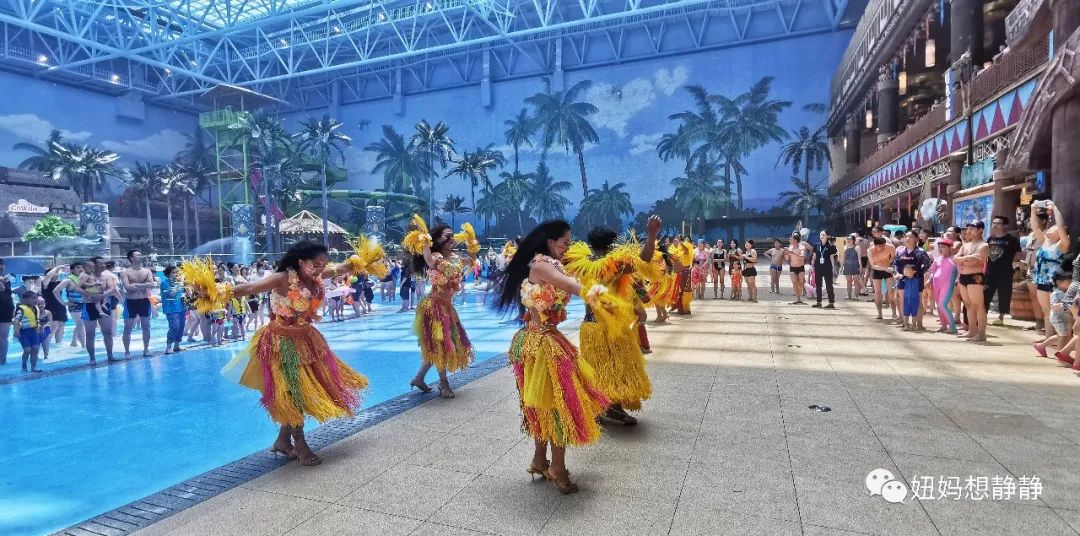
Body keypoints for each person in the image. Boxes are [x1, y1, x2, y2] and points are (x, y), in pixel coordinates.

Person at [223, 241, 372, 466]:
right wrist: (215, 293)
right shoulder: (283, 278)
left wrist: (362, 262)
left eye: (323, 263)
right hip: (281, 344)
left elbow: (341, 269)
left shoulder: (316, 276)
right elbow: (250, 288)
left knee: (296, 392)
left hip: (306, 340)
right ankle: (300, 444)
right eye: (316, 263)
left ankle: (283, 441)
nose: (321, 267)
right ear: (301, 262)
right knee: (293, 392)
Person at [495, 220, 617, 494]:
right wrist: (599, 295)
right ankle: (557, 468)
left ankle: (540, 459)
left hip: (542, 340)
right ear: (550, 242)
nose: (568, 247)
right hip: (541, 345)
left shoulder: (550, 264)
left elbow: (577, 278)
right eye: (565, 242)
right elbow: (573, 286)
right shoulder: (541, 266)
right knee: (559, 405)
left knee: (545, 403)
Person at [564, 217, 660, 425]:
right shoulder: (615, 265)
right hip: (610, 328)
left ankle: (601, 406)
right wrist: (651, 235)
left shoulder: (582, 263)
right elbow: (644, 259)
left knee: (598, 370)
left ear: (591, 244)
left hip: (589, 327)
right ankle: (611, 409)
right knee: (618, 369)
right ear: (612, 245)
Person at [406, 219, 477, 398]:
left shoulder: (454, 257)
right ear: (437, 240)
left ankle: (419, 378)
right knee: (441, 345)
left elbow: (471, 262)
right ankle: (443, 384)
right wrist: (424, 242)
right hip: (434, 308)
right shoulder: (436, 257)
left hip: (447, 308)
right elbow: (429, 261)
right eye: (448, 236)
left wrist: (472, 246)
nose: (453, 238)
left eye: (453, 235)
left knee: (442, 345)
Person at [1031, 200, 1070, 341]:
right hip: (1041, 279)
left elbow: (1060, 225)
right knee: (1046, 311)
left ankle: (1060, 339)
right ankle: (1049, 337)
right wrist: (1033, 209)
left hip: (1054, 281)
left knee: (1055, 310)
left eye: (1052, 229)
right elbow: (1035, 226)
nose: (1049, 229)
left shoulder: (1062, 245)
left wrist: (1054, 207)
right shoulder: (1044, 242)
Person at [955, 221, 991, 342]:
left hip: (975, 276)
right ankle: (972, 331)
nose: (969, 231)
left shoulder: (984, 245)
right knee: (968, 305)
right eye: (968, 228)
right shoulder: (965, 245)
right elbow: (956, 259)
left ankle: (981, 334)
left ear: (980, 230)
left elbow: (978, 261)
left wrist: (962, 260)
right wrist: (967, 258)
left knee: (978, 306)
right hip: (963, 276)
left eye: (972, 228)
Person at [79, 257, 120, 364]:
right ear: (94, 265)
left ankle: (110, 355)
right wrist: (90, 294)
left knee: (108, 332)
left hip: (104, 305)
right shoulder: (85, 275)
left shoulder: (107, 276)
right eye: (100, 264)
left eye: (104, 264)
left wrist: (101, 296)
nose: (103, 266)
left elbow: (112, 288)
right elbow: (79, 288)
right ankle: (92, 358)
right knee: (90, 333)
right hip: (88, 306)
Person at [985, 215, 1022, 326]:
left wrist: (1009, 261)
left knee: (1004, 293)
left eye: (998, 223)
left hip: (1005, 271)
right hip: (990, 271)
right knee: (986, 292)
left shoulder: (1012, 239)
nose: (995, 225)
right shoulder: (990, 239)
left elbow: (1018, 253)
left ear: (1005, 225)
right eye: (994, 223)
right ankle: (983, 315)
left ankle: (1001, 317)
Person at [121, 249, 157, 358]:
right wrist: (143, 285)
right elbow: (127, 287)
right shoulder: (125, 271)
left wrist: (135, 285)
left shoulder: (147, 271)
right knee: (128, 327)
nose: (140, 256)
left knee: (146, 326)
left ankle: (146, 349)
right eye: (138, 255)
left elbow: (151, 284)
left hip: (144, 301)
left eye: (141, 254)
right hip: (130, 302)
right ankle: (127, 352)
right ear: (131, 258)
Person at [893, 231, 932, 330]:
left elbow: (928, 264)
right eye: (906, 236)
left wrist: (917, 271)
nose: (907, 238)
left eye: (910, 237)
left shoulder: (920, 252)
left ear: (916, 239)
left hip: (917, 279)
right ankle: (905, 323)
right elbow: (895, 264)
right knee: (903, 301)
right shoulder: (900, 251)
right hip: (902, 279)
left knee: (917, 301)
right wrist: (897, 273)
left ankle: (919, 324)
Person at [1035, 271, 1073, 358]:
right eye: (1068, 282)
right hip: (1058, 318)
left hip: (1064, 318)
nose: (1071, 284)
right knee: (1063, 336)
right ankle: (1060, 354)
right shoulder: (1056, 293)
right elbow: (1054, 306)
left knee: (1062, 335)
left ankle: (1041, 346)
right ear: (1059, 282)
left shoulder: (1066, 292)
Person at [53, 263, 86, 348]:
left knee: (81, 324)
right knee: (80, 325)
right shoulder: (68, 280)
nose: (80, 269)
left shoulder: (83, 278)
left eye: (81, 267)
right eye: (78, 267)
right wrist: (63, 303)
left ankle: (74, 341)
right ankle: (84, 346)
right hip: (74, 305)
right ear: (72, 270)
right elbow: (55, 291)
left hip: (83, 304)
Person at [930, 238, 959, 333]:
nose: (940, 249)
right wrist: (928, 281)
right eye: (939, 247)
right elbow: (932, 272)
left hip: (947, 285)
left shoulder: (954, 259)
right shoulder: (937, 259)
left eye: (943, 247)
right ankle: (943, 325)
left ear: (950, 248)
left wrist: (957, 279)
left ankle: (952, 327)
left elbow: (960, 271)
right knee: (938, 306)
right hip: (935, 285)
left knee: (942, 305)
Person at [13, 291, 46, 372]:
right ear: (25, 299)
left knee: (35, 348)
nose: (35, 300)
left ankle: (33, 367)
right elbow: (16, 320)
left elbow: (37, 320)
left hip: (34, 332)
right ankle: (24, 366)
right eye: (33, 298)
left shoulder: (36, 308)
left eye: (36, 298)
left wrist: (40, 329)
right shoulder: (21, 309)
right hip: (24, 332)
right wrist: (16, 331)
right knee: (27, 350)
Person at [868, 232, 897, 320]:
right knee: (878, 292)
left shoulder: (890, 247)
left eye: (883, 246)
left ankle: (894, 313)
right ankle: (879, 313)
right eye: (879, 246)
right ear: (875, 245)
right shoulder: (870, 250)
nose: (881, 248)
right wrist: (884, 268)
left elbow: (893, 257)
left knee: (891, 292)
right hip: (878, 270)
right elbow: (873, 265)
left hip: (888, 269)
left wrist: (889, 264)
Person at [41, 265, 70, 347]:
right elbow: (48, 276)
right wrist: (58, 267)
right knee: (53, 326)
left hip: (60, 306)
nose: (57, 274)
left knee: (61, 325)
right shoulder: (45, 284)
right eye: (55, 273)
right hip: (50, 307)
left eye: (57, 273)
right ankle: (45, 346)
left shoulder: (58, 282)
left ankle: (58, 346)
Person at [160, 265, 186, 354]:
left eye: (177, 272)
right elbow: (172, 294)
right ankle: (168, 347)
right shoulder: (164, 283)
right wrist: (179, 284)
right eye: (173, 273)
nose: (176, 274)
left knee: (181, 326)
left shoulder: (178, 283)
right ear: (168, 274)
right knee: (174, 326)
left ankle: (177, 345)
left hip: (181, 307)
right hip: (171, 308)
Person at [812, 231, 838, 309]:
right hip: (818, 267)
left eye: (823, 235)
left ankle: (831, 302)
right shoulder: (817, 245)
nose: (821, 236)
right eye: (820, 234)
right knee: (818, 285)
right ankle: (819, 302)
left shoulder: (831, 246)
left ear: (827, 236)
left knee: (829, 285)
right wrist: (812, 265)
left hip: (827, 268)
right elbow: (814, 256)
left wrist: (833, 268)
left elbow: (832, 258)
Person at [785, 234, 812, 305]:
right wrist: (786, 254)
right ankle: (798, 298)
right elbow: (787, 259)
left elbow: (802, 257)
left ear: (796, 240)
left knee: (800, 282)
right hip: (792, 267)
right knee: (794, 282)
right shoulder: (790, 247)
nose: (790, 240)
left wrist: (793, 253)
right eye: (790, 239)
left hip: (800, 267)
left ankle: (800, 297)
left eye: (791, 239)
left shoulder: (801, 247)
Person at [895, 265, 922, 331]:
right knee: (905, 313)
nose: (906, 271)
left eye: (908, 270)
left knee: (914, 314)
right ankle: (906, 325)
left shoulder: (918, 280)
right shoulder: (902, 280)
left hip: (915, 299)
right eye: (905, 270)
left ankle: (914, 325)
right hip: (906, 299)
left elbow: (920, 291)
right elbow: (897, 288)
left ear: (914, 271)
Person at [0, 258, 14, 365]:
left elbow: (4, 291)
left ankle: (2, 359)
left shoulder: (7, 279)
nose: (1, 266)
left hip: (6, 310)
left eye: (2, 264)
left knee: (3, 336)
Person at [842, 234, 862, 300]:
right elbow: (844, 258)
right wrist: (842, 266)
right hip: (847, 265)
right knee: (848, 281)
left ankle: (856, 296)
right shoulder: (845, 247)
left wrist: (860, 266)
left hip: (855, 265)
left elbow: (859, 258)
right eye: (848, 239)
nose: (849, 240)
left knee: (856, 281)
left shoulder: (857, 247)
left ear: (853, 240)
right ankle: (849, 295)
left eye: (850, 239)